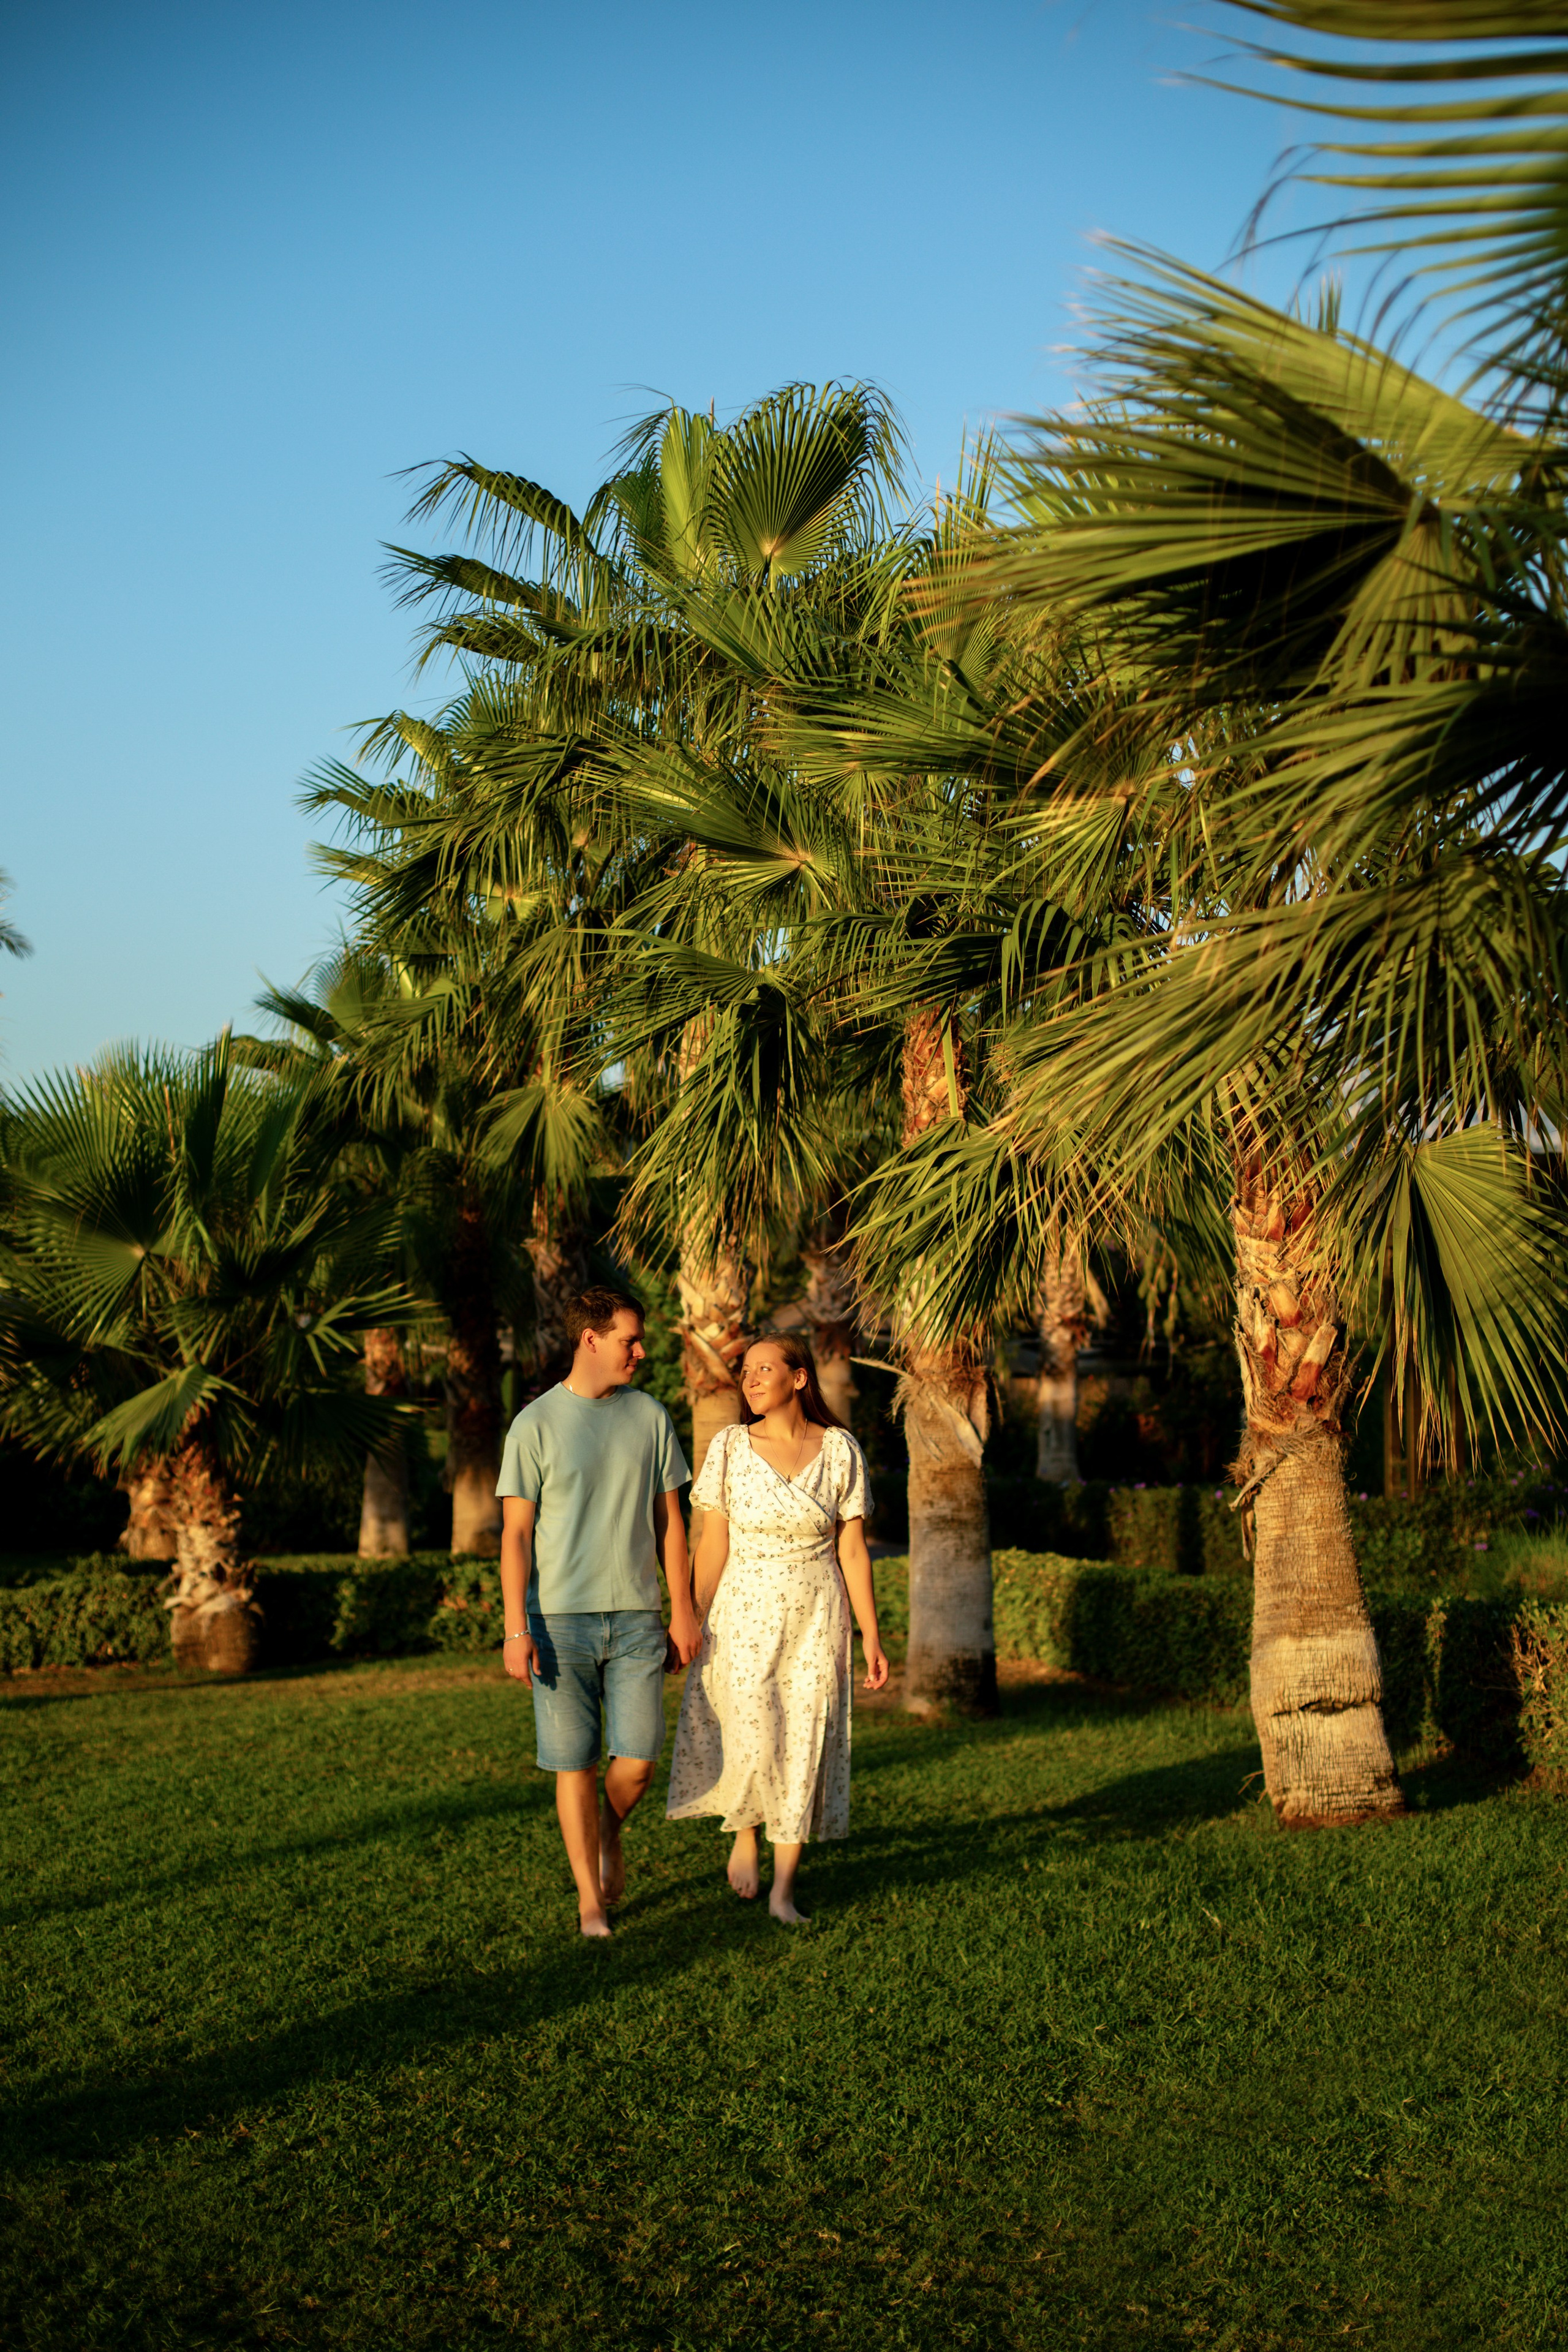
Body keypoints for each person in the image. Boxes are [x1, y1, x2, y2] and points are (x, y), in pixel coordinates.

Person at [665, 1332, 888, 1924]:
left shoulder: (840, 1450)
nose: (751, 1378)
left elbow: (855, 1552)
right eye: (745, 1371)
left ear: (799, 1378)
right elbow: (712, 1542)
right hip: (743, 1610)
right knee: (752, 1729)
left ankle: (783, 1889)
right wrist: (687, 1614)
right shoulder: (731, 1447)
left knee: (805, 1736)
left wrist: (871, 1635)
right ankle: (746, 1829)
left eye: (766, 1368)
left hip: (819, 1613)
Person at [498, 1285, 700, 1939]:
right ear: (590, 1340)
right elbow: (516, 1536)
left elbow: (673, 1525)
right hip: (559, 1623)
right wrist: (514, 1629)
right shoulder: (534, 1425)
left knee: (638, 1760)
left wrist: (683, 1611)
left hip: (640, 1617)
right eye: (629, 1341)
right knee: (573, 1765)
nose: (640, 1352)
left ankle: (605, 1830)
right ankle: (590, 1902)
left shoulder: (649, 1417)